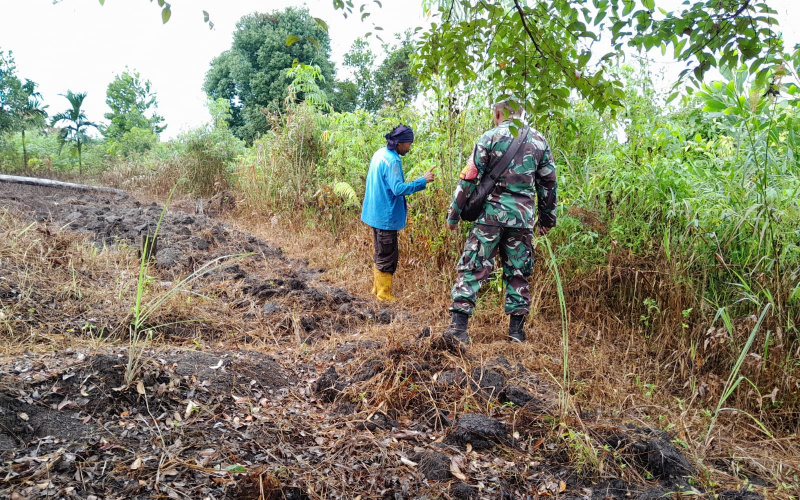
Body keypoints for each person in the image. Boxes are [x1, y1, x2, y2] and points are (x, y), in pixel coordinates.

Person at [444, 99, 557, 343]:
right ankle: (516, 332)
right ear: (521, 113)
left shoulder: (489, 137)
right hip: (522, 219)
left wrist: (454, 214)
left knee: (474, 266)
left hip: (490, 218)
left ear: (498, 113)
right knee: (518, 271)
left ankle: (458, 329)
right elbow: (548, 183)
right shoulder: (539, 141)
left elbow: (469, 178)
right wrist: (547, 219)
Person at [361, 124, 435, 301]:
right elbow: (397, 188)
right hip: (386, 217)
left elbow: (383, 185)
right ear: (400, 143)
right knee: (388, 255)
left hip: (375, 212)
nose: (409, 148)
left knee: (380, 251)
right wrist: (422, 181)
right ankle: (383, 295)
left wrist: (401, 203)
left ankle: (376, 289)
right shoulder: (393, 160)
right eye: (409, 144)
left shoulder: (380, 154)